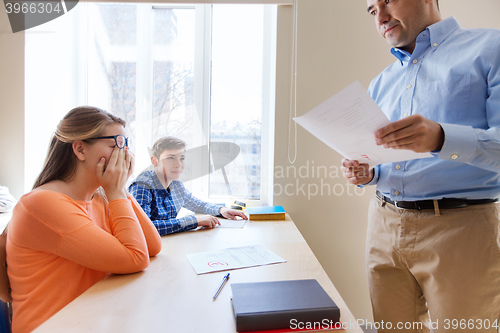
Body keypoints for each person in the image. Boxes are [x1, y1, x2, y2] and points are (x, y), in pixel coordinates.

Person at [342, 0, 500, 331]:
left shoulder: (492, 48)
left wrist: (441, 138)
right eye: (372, 11)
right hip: (383, 227)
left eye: (387, 2)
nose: (381, 17)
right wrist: (369, 173)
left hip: (461, 232)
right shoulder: (380, 83)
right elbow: (384, 161)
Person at [6, 106, 162, 333]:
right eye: (115, 145)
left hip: (91, 320)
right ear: (80, 149)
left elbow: (151, 246)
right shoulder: (42, 204)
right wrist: (116, 192)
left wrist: (120, 189)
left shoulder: (100, 196)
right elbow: (136, 258)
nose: (125, 154)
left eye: (126, 145)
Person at [128, 136, 247, 236]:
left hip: (168, 244)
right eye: (170, 158)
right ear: (155, 161)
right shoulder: (142, 186)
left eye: (182, 158)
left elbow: (199, 205)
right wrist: (192, 221)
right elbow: (143, 228)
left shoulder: (176, 185)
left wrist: (221, 210)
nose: (178, 164)